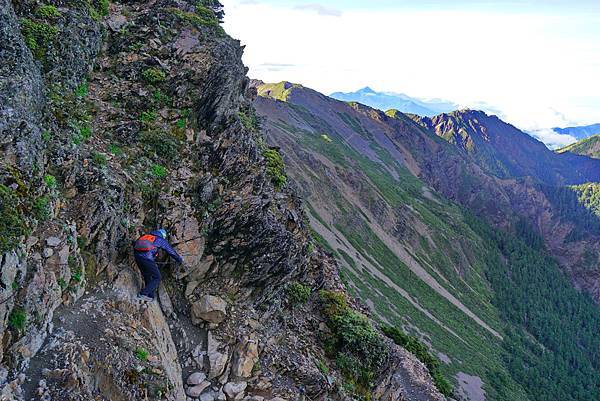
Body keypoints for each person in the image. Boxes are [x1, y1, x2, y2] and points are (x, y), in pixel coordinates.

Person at [133, 229, 183, 301]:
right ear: (163, 235)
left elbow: (135, 244)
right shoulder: (160, 239)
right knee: (157, 277)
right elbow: (170, 251)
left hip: (137, 257)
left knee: (148, 276)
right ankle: (143, 294)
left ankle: (150, 296)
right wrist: (179, 259)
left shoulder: (146, 236)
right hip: (147, 259)